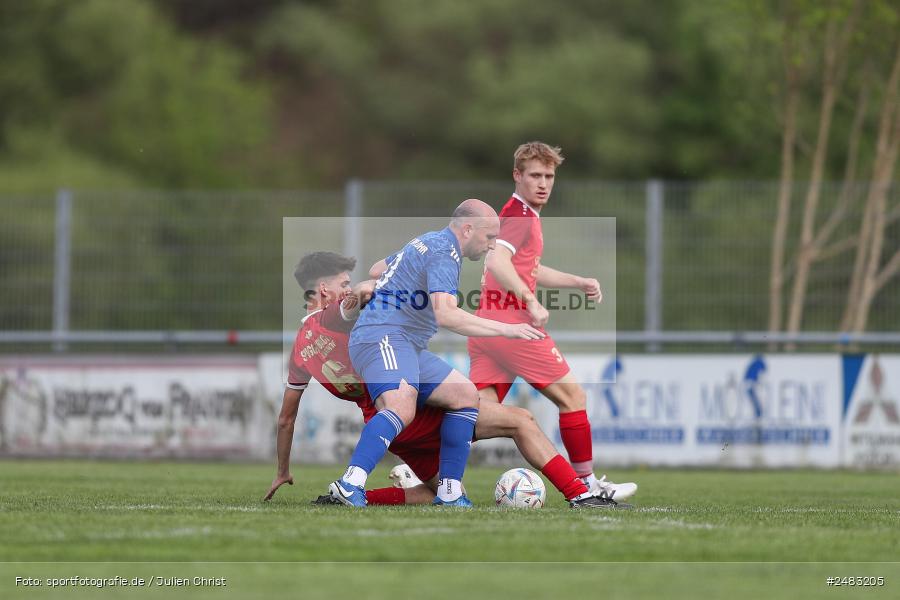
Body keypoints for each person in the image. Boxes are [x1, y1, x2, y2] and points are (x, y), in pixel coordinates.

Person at [264, 251, 628, 509]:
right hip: (415, 407)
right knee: (520, 421)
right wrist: (373, 282)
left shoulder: (300, 350)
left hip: (387, 427)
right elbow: (358, 298)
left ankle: (344, 496)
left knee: (431, 493)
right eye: (340, 283)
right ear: (324, 291)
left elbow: (286, 418)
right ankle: (581, 494)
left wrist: (282, 470)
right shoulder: (336, 314)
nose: (346, 287)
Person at [328, 199, 545, 507]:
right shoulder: (445, 252)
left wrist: (393, 285)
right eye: (489, 237)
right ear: (468, 229)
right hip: (383, 334)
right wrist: (505, 328)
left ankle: (449, 492)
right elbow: (447, 316)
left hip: (405, 342)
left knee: (465, 395)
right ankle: (350, 483)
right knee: (402, 405)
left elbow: (379, 268)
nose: (492, 245)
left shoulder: (431, 240)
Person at [468, 142, 637, 500]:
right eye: (535, 175)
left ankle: (423, 464)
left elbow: (525, 266)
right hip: (514, 328)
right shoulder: (521, 215)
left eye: (549, 176)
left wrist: (577, 281)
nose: (543, 183)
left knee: (477, 415)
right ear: (517, 175)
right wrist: (530, 301)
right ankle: (588, 485)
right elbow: (497, 262)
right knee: (573, 396)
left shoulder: (519, 213)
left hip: (486, 327)